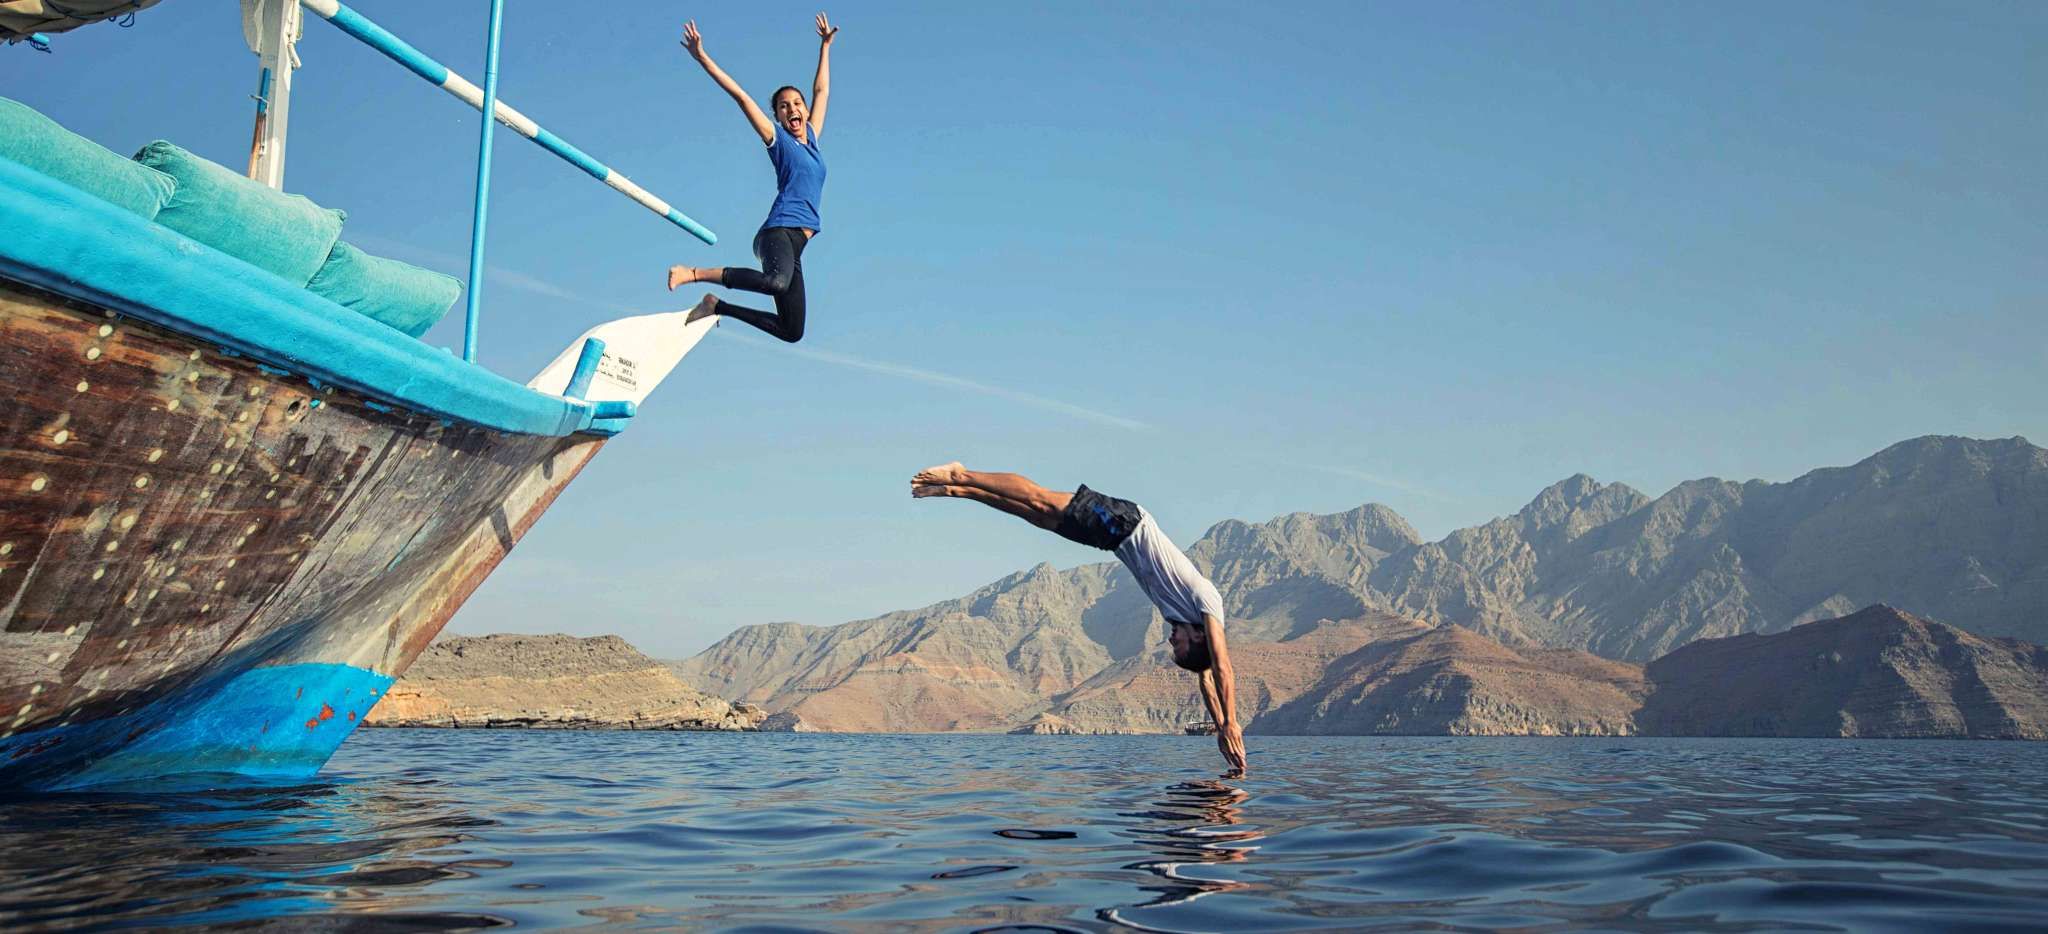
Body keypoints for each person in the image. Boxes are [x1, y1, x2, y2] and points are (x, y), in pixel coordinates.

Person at [911, 463, 1249, 775]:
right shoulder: (1207, 601)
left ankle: (961, 492)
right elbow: (1221, 668)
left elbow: (1205, 678)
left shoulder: (1180, 619)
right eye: (1179, 646)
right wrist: (1232, 722)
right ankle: (961, 475)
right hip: (1127, 523)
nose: (1170, 641)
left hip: (1112, 540)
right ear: (1200, 637)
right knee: (1040, 501)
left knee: (1038, 519)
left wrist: (1220, 728)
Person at [666, 13, 837, 343]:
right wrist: (702, 57)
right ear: (777, 116)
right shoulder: (780, 142)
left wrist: (825, 46)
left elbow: (822, 90)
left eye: (797, 103)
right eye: (784, 107)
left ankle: (716, 307)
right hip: (778, 233)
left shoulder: (813, 139)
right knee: (776, 282)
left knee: (792, 330)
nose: (793, 110)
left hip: (795, 247)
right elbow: (742, 97)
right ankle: (694, 274)